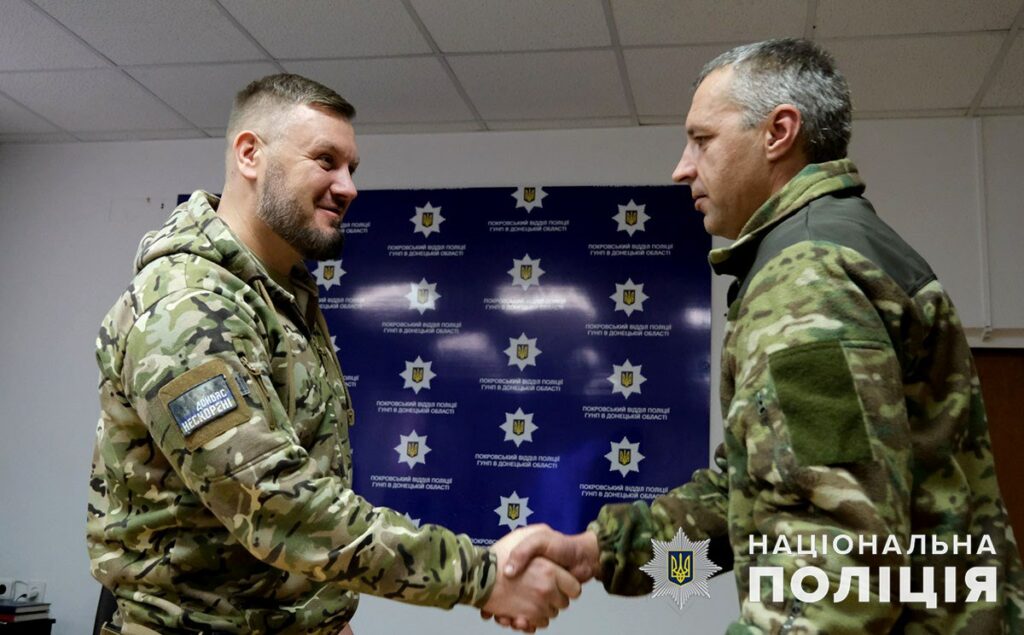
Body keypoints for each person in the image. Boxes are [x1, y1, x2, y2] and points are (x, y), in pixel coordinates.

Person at [499, 38, 1024, 633]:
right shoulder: (830, 248)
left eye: (702, 140)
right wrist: (602, 555)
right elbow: (739, 509)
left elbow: (834, 561)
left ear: (778, 133)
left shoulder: (807, 274)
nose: (682, 168)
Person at [86, 73, 580, 635]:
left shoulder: (279, 297)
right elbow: (274, 503)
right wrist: (482, 576)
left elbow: (303, 494)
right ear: (250, 154)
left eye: (352, 168)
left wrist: (323, 613)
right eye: (326, 160)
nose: (347, 187)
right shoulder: (187, 306)